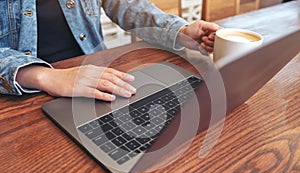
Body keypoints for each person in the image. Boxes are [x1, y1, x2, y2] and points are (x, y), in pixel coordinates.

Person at [0, 0, 222, 101]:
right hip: (24, 93)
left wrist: (178, 30)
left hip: (99, 76)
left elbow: (126, 5)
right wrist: (40, 75)